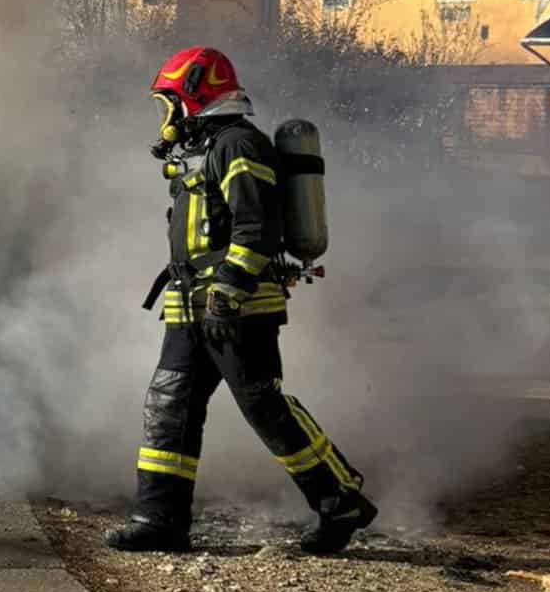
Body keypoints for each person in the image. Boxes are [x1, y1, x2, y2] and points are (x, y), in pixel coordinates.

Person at [108, 46, 378, 557]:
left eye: (170, 102)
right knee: (169, 407)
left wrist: (228, 294)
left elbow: (255, 228)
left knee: (262, 404)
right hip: (190, 307)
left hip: (235, 307)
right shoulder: (207, 149)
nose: (167, 116)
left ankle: (339, 498)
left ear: (194, 93)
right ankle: (159, 520)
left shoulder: (239, 147)